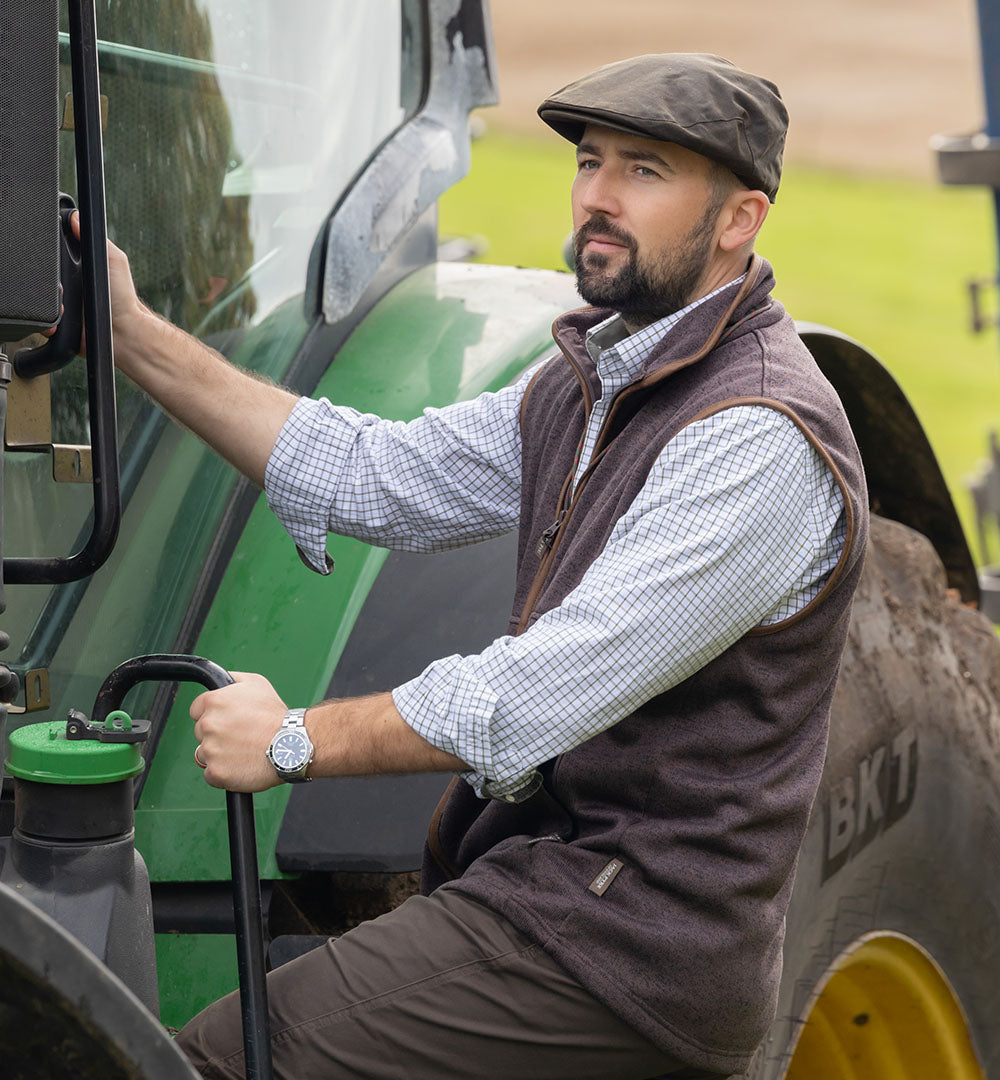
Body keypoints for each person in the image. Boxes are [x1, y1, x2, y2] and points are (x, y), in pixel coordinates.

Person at [92, 53, 868, 1080]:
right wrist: (129, 335)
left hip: (626, 948)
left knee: (223, 1060)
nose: (596, 196)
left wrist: (290, 739)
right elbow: (373, 474)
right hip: (548, 891)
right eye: (590, 163)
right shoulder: (592, 378)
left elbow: (532, 697)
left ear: (739, 220)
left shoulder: (758, 437)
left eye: (643, 172)